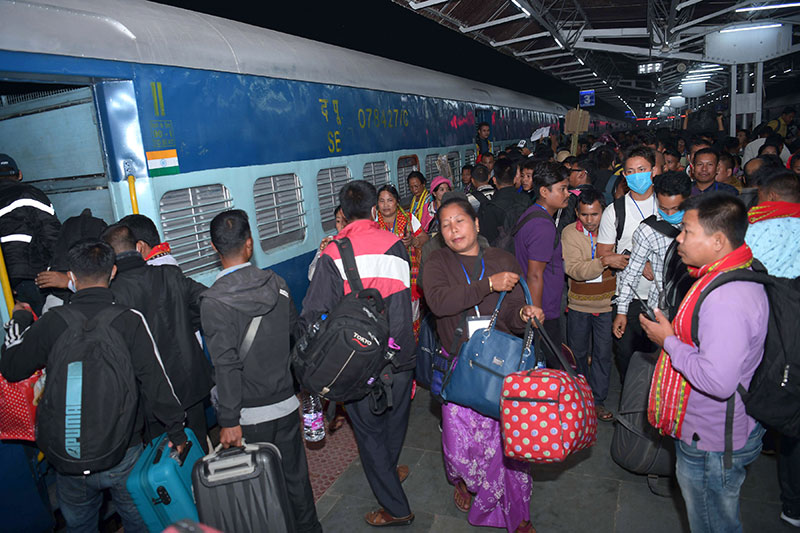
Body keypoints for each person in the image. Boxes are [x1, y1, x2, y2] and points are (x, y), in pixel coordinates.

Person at [0, 239, 187, 532]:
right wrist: (177, 431)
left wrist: (20, 319)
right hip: (124, 449)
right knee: (138, 521)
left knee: (80, 526)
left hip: (67, 457)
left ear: (71, 277)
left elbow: (11, 368)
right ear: (112, 272)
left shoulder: (53, 322)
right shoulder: (129, 320)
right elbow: (156, 383)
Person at [641, 193, 768, 533]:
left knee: (712, 524)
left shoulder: (727, 298)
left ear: (717, 241)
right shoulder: (731, 271)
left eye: (686, 231)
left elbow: (717, 381)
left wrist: (667, 341)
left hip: (713, 438)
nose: (678, 238)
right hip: (713, 427)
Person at [422, 196, 543, 533]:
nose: (452, 229)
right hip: (459, 369)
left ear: (476, 224)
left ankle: (519, 514)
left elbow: (512, 310)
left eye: (459, 221)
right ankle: (463, 481)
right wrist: (487, 285)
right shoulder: (436, 262)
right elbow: (441, 302)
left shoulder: (502, 259)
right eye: (445, 225)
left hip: (499, 370)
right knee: (461, 448)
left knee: (509, 447)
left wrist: (524, 314)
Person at [300, 180, 415, 527]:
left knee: (368, 434)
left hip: (357, 363)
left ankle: (396, 507)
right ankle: (388, 471)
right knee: (395, 423)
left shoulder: (334, 252)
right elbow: (403, 299)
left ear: (342, 213)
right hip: (400, 357)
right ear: (373, 209)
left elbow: (314, 313)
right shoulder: (396, 244)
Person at [199, 209, 321, 533]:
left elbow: (225, 364)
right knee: (296, 479)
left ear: (214, 248)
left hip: (248, 416)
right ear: (249, 245)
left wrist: (228, 421)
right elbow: (296, 335)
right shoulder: (278, 285)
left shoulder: (212, 301)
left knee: (262, 488)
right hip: (284, 403)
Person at [102, 224, 212, 449]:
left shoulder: (112, 295)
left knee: (167, 460)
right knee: (198, 452)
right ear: (139, 246)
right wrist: (186, 323)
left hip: (152, 399)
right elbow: (207, 303)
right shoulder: (170, 275)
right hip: (190, 384)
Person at [744, 169, 800, 527]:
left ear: (767, 197)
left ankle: (736, 462)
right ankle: (793, 505)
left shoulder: (757, 228)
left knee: (753, 397)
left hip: (765, 332)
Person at [561, 188, 622, 422]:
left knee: (603, 355)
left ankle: (597, 400)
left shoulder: (613, 230)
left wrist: (600, 262)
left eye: (595, 214)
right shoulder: (569, 233)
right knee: (577, 354)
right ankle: (580, 397)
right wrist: (605, 261)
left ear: (603, 212)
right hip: (578, 304)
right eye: (584, 215)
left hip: (607, 305)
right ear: (576, 212)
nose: (589, 221)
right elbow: (574, 270)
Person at [597, 145, 655, 381]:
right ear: (624, 175)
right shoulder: (615, 211)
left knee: (659, 362)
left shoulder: (669, 206)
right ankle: (632, 412)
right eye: (630, 171)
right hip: (628, 299)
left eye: (642, 169)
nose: (636, 175)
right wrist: (639, 264)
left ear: (654, 170)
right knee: (628, 360)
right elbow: (604, 253)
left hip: (664, 299)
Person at [614, 170, 692, 345]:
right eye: (664, 208)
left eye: (676, 209)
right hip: (663, 310)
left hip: (694, 306)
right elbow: (632, 272)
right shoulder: (648, 230)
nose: (670, 214)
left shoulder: (700, 223)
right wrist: (622, 310)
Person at [514, 162, 569, 367]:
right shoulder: (543, 226)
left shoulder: (532, 214)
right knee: (553, 368)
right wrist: (536, 315)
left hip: (538, 306)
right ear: (544, 191)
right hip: (543, 310)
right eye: (562, 189)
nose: (567, 193)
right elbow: (535, 274)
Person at [0, 153, 61, 315]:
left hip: (4, 281)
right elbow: (52, 235)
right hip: (33, 275)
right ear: (19, 174)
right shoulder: (30, 194)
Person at [376, 184, 425, 341]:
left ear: (397, 201)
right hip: (383, 279)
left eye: (389, 200)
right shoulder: (373, 223)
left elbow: (425, 237)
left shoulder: (409, 219)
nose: (385, 205)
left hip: (409, 276)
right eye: (382, 201)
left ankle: (413, 346)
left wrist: (413, 241)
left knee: (411, 315)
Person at [478, 158, 530, 244]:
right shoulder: (526, 200)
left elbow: (486, 240)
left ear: (494, 180)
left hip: (500, 255)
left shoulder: (488, 208)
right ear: (514, 179)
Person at [308, 205, 346, 280]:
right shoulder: (330, 242)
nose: (342, 226)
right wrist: (322, 253)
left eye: (346, 221)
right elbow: (312, 276)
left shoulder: (358, 242)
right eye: (338, 221)